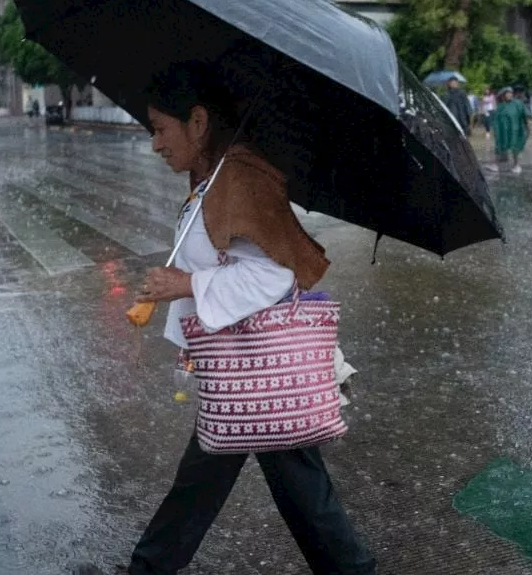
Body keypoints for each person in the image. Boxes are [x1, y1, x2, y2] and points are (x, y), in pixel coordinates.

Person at [78, 65, 376, 575]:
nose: (155, 144)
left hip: (259, 367)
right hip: (241, 366)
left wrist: (187, 285)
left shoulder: (240, 177)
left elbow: (275, 276)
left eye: (159, 128)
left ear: (197, 122)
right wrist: (187, 298)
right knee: (262, 482)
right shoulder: (211, 178)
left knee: (234, 480)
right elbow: (223, 263)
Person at [487, 87, 529, 175]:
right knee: (500, 146)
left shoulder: (517, 104)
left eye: (511, 93)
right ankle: (496, 165)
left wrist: (527, 126)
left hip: (515, 129)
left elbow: (525, 114)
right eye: (507, 93)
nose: (509, 95)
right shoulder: (500, 106)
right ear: (503, 95)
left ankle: (517, 165)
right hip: (503, 131)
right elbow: (496, 120)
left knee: (515, 146)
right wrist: (494, 130)